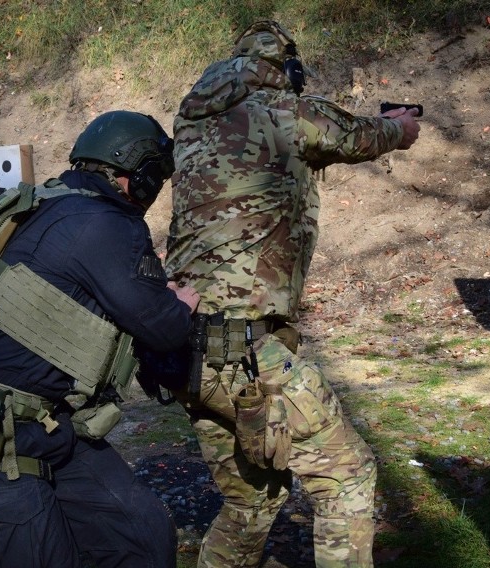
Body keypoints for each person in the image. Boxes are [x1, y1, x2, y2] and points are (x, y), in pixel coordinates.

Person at [163, 21, 420, 568]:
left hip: (182, 349)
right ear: (285, 71)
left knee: (252, 494)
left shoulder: (190, 126)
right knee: (345, 475)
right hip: (246, 355)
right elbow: (357, 137)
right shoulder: (288, 113)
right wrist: (399, 126)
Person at [0, 110, 199, 568]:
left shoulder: (44, 201)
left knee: (142, 535)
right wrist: (181, 304)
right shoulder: (108, 222)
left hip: (48, 423)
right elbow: (165, 327)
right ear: (137, 175)